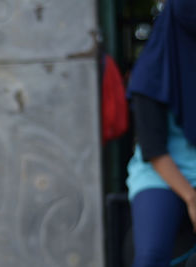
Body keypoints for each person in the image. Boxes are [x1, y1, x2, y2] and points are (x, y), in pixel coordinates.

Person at [126, 0, 196, 266]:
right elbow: (154, 150)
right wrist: (192, 198)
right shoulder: (149, 75)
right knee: (151, 257)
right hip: (161, 175)